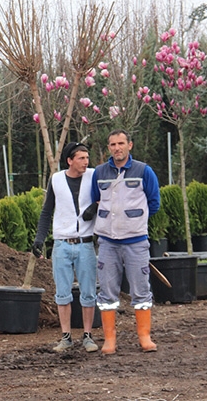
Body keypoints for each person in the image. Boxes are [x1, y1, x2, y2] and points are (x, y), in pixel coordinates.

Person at [86, 129, 160, 354]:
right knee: (107, 290)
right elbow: (95, 200)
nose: (116, 148)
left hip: (136, 241)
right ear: (108, 148)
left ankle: (144, 337)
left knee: (141, 289)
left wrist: (134, 222)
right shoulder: (99, 172)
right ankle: (109, 340)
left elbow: (154, 202)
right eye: (112, 144)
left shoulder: (144, 171)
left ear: (130, 145)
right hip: (108, 242)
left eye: (120, 143)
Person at [32, 142, 98, 353]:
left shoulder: (93, 176)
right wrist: (40, 239)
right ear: (70, 160)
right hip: (62, 243)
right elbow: (46, 211)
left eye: (87, 158)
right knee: (62, 293)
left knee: (88, 292)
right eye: (81, 158)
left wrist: (93, 209)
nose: (85, 162)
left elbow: (107, 198)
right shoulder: (57, 180)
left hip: (86, 243)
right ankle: (66, 337)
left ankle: (88, 336)